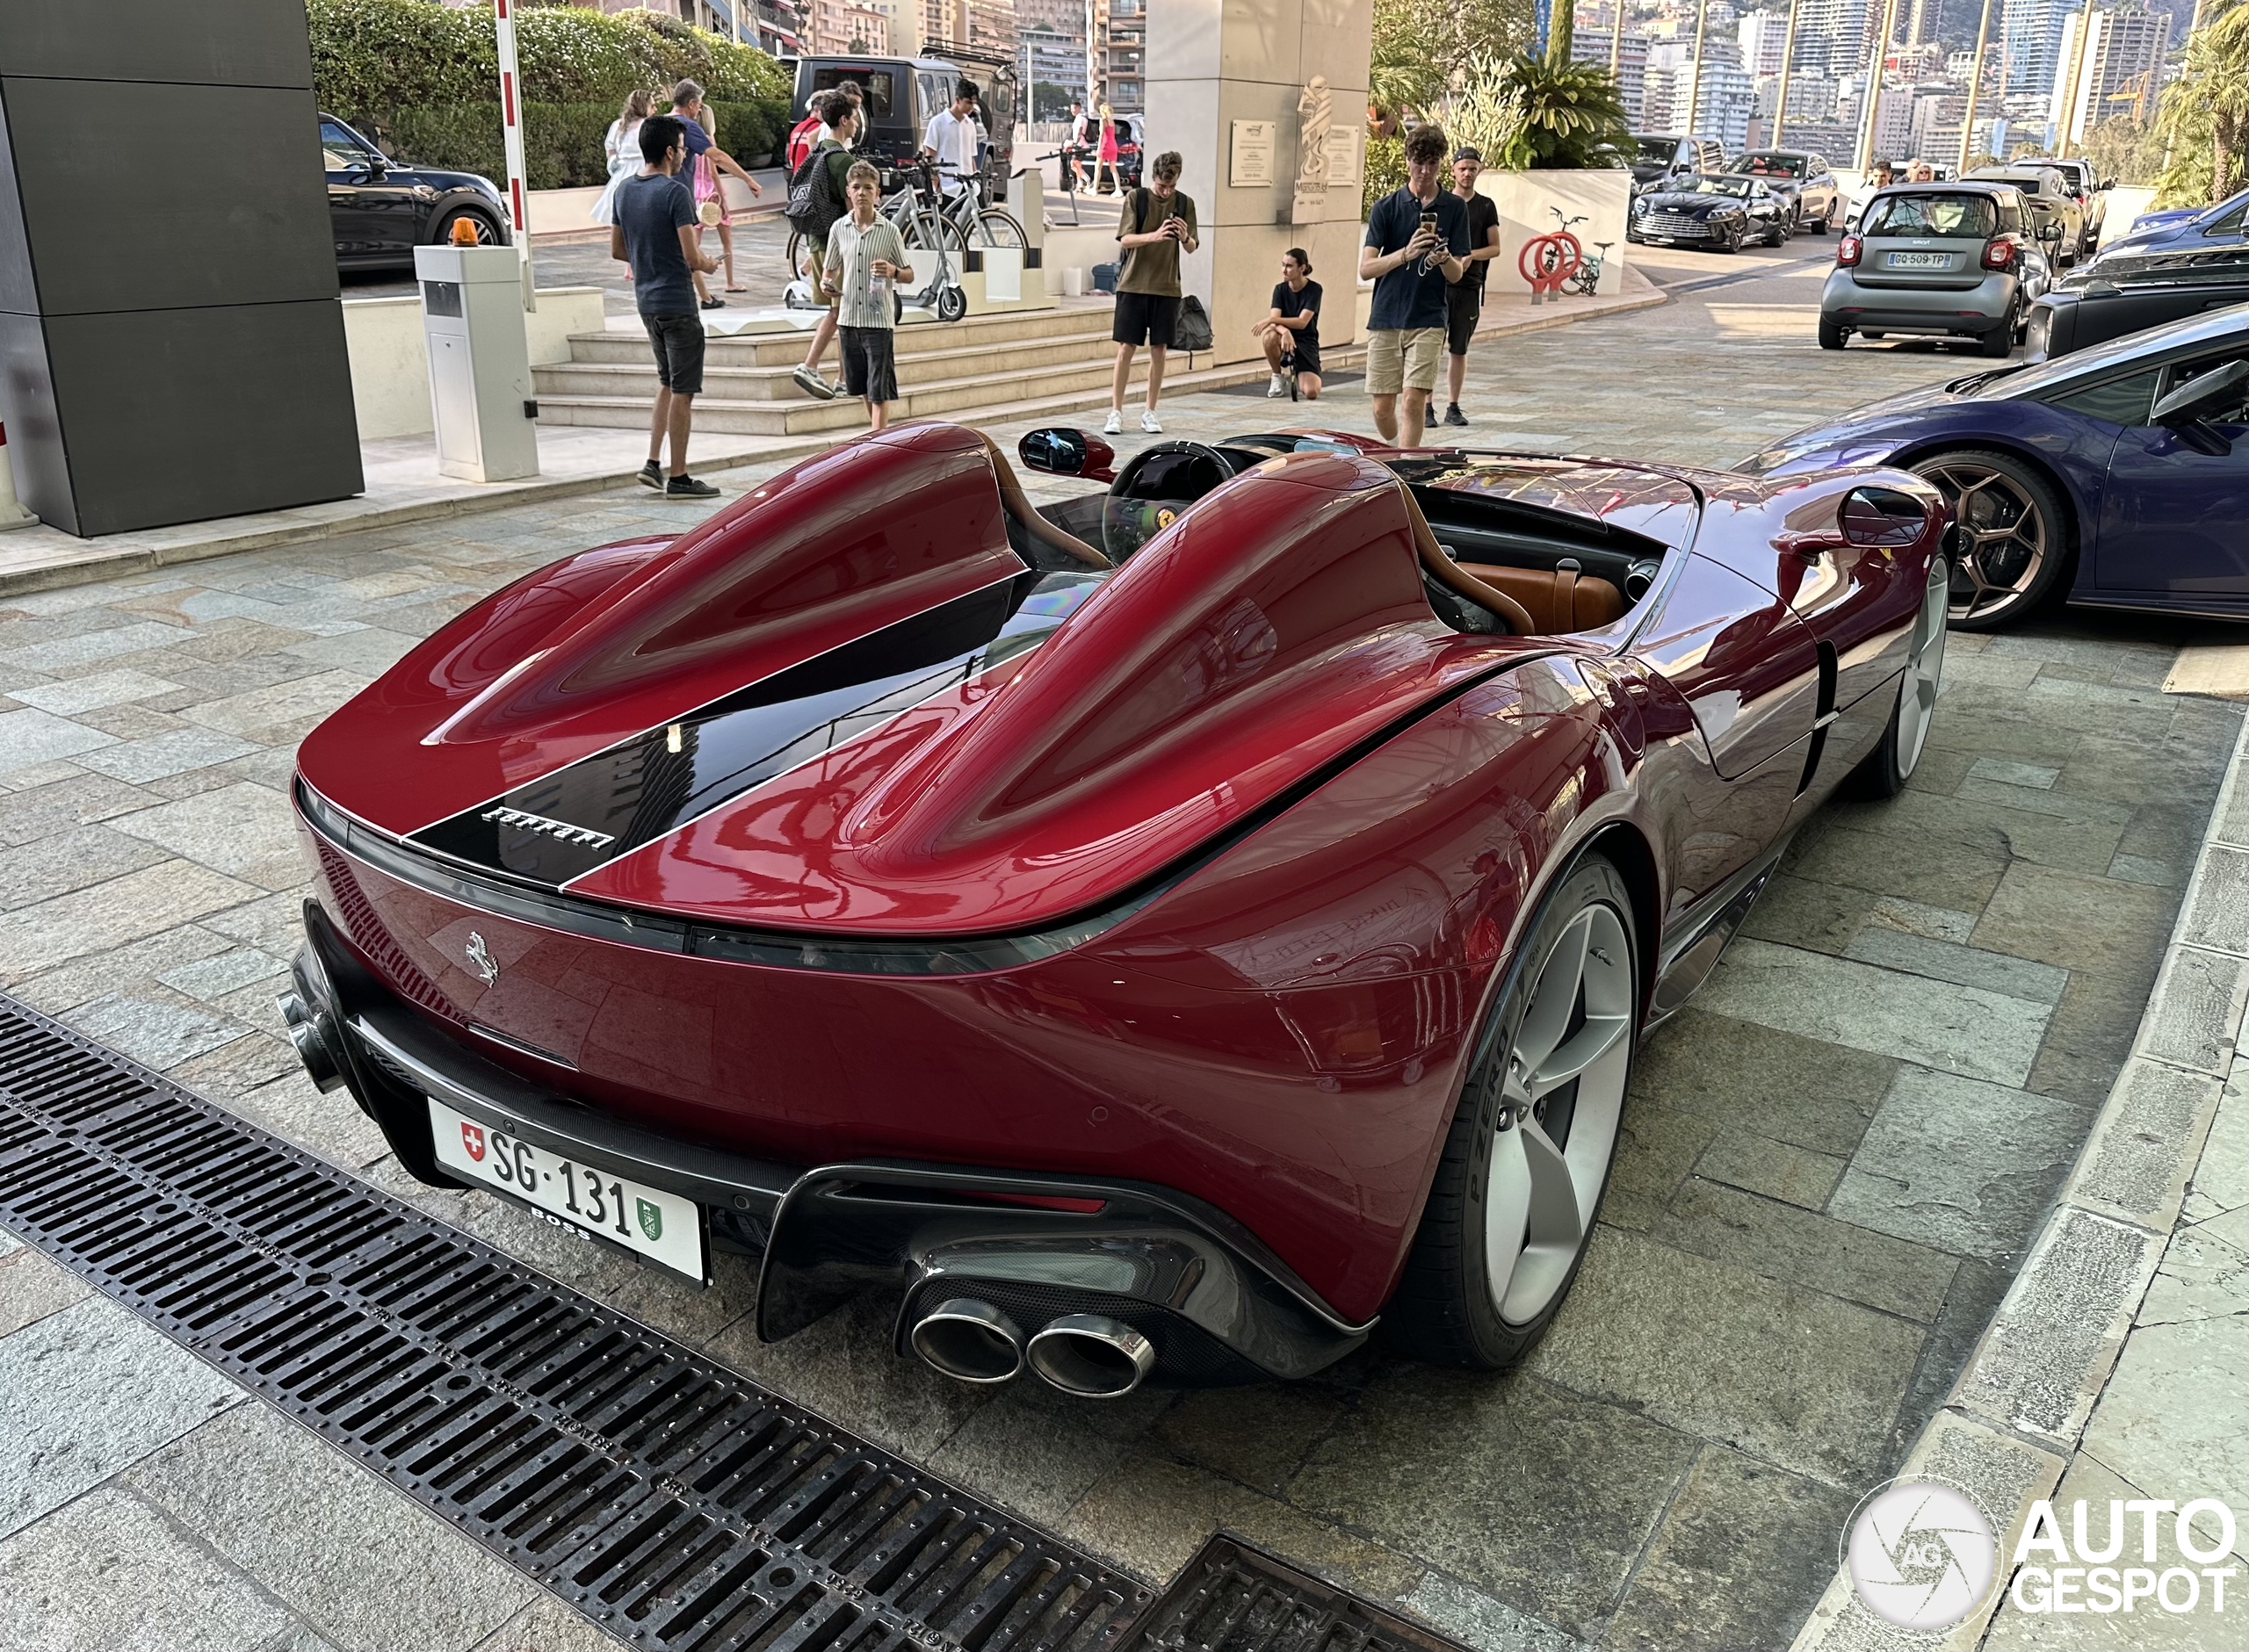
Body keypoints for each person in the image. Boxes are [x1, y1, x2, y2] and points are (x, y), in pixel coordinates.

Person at [611, 113, 721, 500]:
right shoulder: (675, 192)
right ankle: (680, 475)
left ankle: (652, 462)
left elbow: (617, 249)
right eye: (681, 147)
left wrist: (648, 261)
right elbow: (692, 257)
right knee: (683, 390)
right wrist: (710, 263)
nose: (684, 153)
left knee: (665, 381)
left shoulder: (624, 191)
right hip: (677, 301)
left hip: (646, 302)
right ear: (670, 151)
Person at [1359, 122, 1469, 449]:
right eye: (1419, 163)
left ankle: (1407, 468)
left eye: (1433, 163)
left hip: (1429, 318)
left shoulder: (1454, 208)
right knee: (1381, 409)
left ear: (1441, 164)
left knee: (1412, 401)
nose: (1425, 171)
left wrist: (1444, 258)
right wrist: (1406, 254)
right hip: (1386, 317)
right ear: (1407, 160)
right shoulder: (1386, 208)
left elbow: (1457, 274)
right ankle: (1398, 449)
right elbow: (1366, 269)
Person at [1106, 149, 1197, 435]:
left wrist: (1184, 237)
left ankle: (1150, 411)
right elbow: (1125, 240)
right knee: (1126, 348)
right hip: (1133, 284)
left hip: (1167, 286)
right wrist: (1155, 235)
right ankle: (1116, 411)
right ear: (1153, 178)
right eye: (1161, 185)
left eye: (1171, 186)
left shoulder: (1185, 203)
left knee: (1160, 349)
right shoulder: (1137, 198)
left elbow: (1193, 246)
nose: (1166, 191)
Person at [824, 161, 915, 431]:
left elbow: (909, 274)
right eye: (856, 187)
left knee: (879, 388)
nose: (861, 193)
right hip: (849, 317)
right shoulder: (839, 229)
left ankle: (877, 441)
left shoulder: (890, 231)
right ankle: (879, 435)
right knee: (862, 385)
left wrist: (893, 270)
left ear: (877, 194)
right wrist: (827, 283)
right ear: (848, 193)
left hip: (878, 320)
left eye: (868, 187)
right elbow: (829, 270)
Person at [792, 93, 861, 400]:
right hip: (839, 246)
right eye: (855, 118)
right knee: (840, 312)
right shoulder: (844, 161)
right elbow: (854, 209)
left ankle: (844, 379)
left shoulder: (816, 152)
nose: (857, 124)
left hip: (816, 240)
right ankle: (810, 365)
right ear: (844, 120)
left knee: (840, 311)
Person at [669, 79, 763, 306]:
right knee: (687, 250)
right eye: (699, 105)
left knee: (673, 251)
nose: (700, 109)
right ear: (691, 104)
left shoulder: (656, 123)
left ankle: (704, 298)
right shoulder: (687, 126)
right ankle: (697, 298)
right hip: (678, 196)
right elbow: (717, 157)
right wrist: (748, 179)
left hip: (650, 193)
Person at [1440, 146, 1503, 428]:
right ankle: (1426, 405)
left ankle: (1453, 405)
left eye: (1472, 169)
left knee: (1459, 348)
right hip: (1438, 286)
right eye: (1462, 168)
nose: (1467, 173)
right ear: (1453, 169)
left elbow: (1495, 247)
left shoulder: (1485, 206)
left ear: (1479, 171)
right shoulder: (1440, 203)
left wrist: (1469, 256)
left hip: (1469, 285)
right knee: (1430, 347)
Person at [1252, 248, 1322, 400]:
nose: (1284, 270)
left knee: (1311, 393)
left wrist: (1271, 319)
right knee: (1270, 336)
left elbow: (1302, 322)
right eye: (1283, 265)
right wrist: (1285, 332)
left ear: (1302, 268)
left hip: (1306, 342)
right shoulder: (1280, 290)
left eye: (1289, 266)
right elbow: (1275, 324)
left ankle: (1298, 371)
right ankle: (1278, 376)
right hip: (1283, 338)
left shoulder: (1314, 290)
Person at [589, 90, 653, 233]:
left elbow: (610, 149)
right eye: (651, 105)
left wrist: (614, 165)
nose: (654, 109)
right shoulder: (646, 125)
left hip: (622, 173)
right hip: (641, 170)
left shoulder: (618, 125)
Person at [922, 81, 980, 201]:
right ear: (958, 100)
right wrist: (936, 186)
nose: (971, 107)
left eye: (973, 103)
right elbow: (929, 156)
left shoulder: (970, 125)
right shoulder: (938, 122)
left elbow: (971, 157)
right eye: (968, 102)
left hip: (968, 186)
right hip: (946, 187)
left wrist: (975, 179)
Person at [1095, 104, 1120, 196]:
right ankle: (1118, 189)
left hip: (1105, 146)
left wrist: (1098, 148)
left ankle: (1094, 188)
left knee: (1098, 167)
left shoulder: (1103, 121)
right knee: (1113, 169)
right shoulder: (1112, 121)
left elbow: (1101, 135)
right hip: (1113, 145)